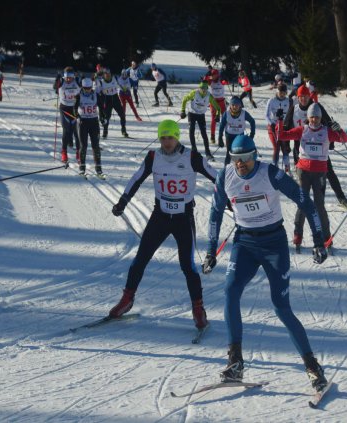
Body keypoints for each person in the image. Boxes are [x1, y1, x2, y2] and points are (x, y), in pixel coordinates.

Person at [202, 134, 329, 392]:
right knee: (230, 290)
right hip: (245, 243)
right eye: (236, 159)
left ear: (254, 156)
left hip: (274, 245)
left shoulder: (269, 173)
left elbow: (304, 200)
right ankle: (235, 361)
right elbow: (215, 213)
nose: (241, 164)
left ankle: (312, 366)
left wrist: (318, 239)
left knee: (281, 308)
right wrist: (210, 251)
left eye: (246, 159)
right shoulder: (224, 176)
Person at [108, 120, 218, 331]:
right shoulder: (153, 157)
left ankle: (198, 308)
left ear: (177, 137)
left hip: (183, 218)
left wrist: (229, 199)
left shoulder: (192, 157)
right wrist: (123, 201)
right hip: (160, 216)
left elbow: (217, 177)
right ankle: (127, 299)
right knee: (140, 259)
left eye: (170, 137)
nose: (167, 142)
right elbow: (136, 178)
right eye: (163, 138)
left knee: (188, 266)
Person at [277, 104, 347, 251]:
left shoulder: (326, 131)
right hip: (303, 172)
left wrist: (338, 129)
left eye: (316, 117)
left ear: (320, 118)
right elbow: (282, 136)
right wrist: (279, 121)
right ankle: (298, 235)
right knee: (303, 203)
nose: (314, 120)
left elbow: (344, 139)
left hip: (320, 173)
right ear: (308, 117)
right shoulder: (302, 130)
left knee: (319, 205)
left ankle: (326, 237)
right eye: (311, 117)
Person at [284, 85, 347, 209]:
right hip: (300, 148)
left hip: (319, 147)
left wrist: (332, 139)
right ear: (298, 97)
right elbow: (286, 128)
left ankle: (341, 197)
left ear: (309, 96)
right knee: (302, 176)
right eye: (300, 97)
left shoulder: (317, 107)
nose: (303, 99)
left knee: (329, 172)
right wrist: (285, 146)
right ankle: (303, 201)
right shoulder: (293, 109)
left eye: (305, 96)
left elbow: (328, 123)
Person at [180, 81, 221, 159]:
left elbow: (218, 107)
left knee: (204, 133)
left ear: (207, 89)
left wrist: (217, 115)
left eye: (205, 88)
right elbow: (185, 99)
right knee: (191, 130)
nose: (203, 90)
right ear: (199, 88)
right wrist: (182, 111)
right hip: (192, 113)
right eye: (201, 88)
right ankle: (194, 149)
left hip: (201, 115)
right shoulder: (194, 93)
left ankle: (207, 152)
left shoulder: (209, 96)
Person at [74, 78, 103, 177]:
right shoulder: (79, 95)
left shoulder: (95, 94)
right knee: (83, 145)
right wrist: (77, 116)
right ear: (82, 87)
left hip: (94, 122)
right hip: (83, 122)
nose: (87, 90)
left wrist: (102, 117)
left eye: (89, 88)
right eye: (86, 88)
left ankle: (98, 168)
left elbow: (101, 106)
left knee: (96, 145)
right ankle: (82, 167)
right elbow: (74, 108)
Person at [218, 96, 256, 165]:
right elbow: (221, 125)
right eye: (233, 105)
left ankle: (241, 169)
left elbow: (252, 121)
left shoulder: (244, 113)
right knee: (229, 154)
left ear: (240, 106)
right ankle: (226, 170)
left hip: (240, 136)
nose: (235, 107)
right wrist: (220, 137)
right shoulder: (226, 114)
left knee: (240, 154)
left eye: (237, 105)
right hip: (229, 136)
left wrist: (252, 134)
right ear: (230, 105)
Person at [56, 67, 82, 163]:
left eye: (70, 77)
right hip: (64, 109)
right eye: (66, 77)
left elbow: (85, 87)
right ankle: (64, 152)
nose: (68, 79)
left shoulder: (77, 81)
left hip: (75, 109)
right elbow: (55, 88)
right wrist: (56, 80)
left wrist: (82, 78)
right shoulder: (62, 82)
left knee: (77, 132)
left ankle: (79, 153)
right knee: (66, 130)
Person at [265, 83, 291, 172]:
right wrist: (272, 123)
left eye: (284, 92)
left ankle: (287, 168)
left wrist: (287, 125)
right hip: (272, 127)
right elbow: (266, 115)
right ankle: (274, 167)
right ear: (277, 91)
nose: (282, 94)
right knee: (276, 147)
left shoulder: (288, 101)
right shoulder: (271, 100)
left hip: (283, 127)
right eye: (280, 92)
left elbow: (290, 115)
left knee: (285, 148)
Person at [96, 68, 127, 138]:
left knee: (122, 114)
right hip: (107, 100)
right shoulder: (101, 82)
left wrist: (125, 89)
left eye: (109, 74)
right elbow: (96, 93)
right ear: (103, 75)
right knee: (107, 117)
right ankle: (105, 131)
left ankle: (124, 130)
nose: (108, 75)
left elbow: (121, 85)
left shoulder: (115, 78)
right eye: (106, 74)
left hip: (115, 98)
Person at [205, 69, 229, 144]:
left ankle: (227, 135)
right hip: (213, 102)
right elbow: (204, 80)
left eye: (214, 74)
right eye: (212, 75)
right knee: (214, 119)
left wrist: (225, 79)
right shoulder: (210, 81)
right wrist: (207, 75)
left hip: (222, 102)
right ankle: (212, 136)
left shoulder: (220, 80)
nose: (213, 76)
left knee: (225, 119)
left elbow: (226, 82)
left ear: (218, 75)